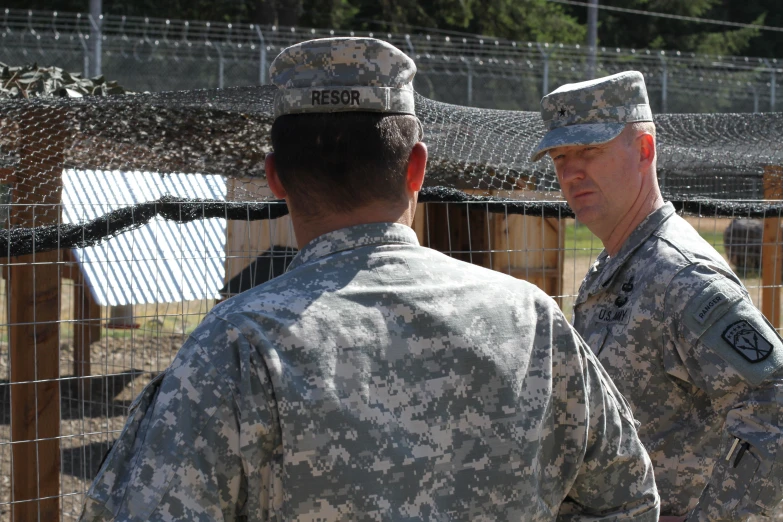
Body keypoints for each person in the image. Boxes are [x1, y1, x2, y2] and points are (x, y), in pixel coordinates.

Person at [80, 39, 658, 521]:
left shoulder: (232, 347)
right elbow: (628, 498)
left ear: (276, 178)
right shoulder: (530, 320)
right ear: (417, 168)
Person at [531, 70, 783, 521]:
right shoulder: (617, 265)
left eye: (590, 150)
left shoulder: (681, 275)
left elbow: (776, 400)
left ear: (644, 149)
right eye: (559, 156)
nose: (571, 172)